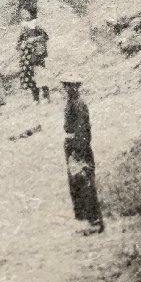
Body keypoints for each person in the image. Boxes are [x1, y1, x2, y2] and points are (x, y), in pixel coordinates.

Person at [60, 75, 104, 235]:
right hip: (73, 145)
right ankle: (87, 220)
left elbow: (83, 130)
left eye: (71, 85)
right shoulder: (71, 103)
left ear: (77, 86)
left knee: (84, 181)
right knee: (77, 184)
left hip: (79, 147)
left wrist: (78, 150)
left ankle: (94, 221)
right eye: (65, 85)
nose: (67, 89)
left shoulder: (78, 104)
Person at [16, 6, 50, 103]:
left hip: (38, 54)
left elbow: (45, 37)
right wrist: (22, 44)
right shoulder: (23, 26)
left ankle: (46, 96)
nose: (24, 15)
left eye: (26, 13)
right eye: (22, 13)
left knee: (41, 75)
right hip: (28, 56)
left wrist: (34, 39)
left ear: (32, 13)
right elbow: (19, 41)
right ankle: (36, 98)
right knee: (31, 76)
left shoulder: (37, 25)